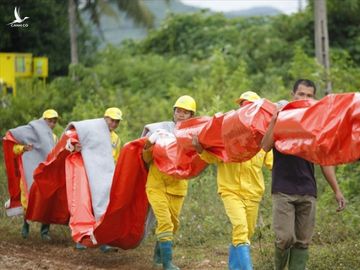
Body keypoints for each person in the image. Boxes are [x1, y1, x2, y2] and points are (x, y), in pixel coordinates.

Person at [261, 79, 346, 270]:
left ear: (314, 98)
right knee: (284, 238)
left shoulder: (316, 125)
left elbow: (325, 161)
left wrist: (337, 190)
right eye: (301, 94)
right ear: (293, 95)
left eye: (309, 95)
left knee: (303, 241)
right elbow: (265, 146)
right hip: (283, 189)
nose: (304, 98)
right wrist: (274, 121)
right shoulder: (282, 119)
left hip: (308, 190)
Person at [192, 91, 273, 270]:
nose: (245, 108)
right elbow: (212, 157)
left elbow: (273, 164)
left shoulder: (263, 141)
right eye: (243, 105)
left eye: (249, 106)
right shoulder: (226, 135)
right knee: (241, 229)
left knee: (246, 233)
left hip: (253, 194)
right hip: (230, 191)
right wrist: (200, 149)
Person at [142, 95, 196, 270]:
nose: (181, 114)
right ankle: (167, 263)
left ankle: (158, 257)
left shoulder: (192, 134)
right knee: (165, 222)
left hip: (178, 186)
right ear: (173, 112)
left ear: (191, 115)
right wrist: (150, 144)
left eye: (185, 112)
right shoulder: (160, 130)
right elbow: (146, 158)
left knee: (173, 224)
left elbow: (196, 160)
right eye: (178, 111)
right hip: (156, 184)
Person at [74, 107, 122, 252]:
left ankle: (103, 241)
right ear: (104, 119)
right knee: (86, 205)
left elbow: (116, 158)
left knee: (104, 207)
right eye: (111, 120)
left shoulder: (116, 139)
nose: (113, 124)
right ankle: (82, 239)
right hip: (89, 174)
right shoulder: (90, 132)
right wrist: (74, 147)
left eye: (117, 122)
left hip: (106, 176)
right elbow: (70, 144)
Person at [12, 109, 59, 240]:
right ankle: (25, 225)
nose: (52, 123)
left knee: (47, 200)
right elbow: (14, 148)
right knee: (27, 198)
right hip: (29, 172)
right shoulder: (29, 134)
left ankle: (45, 231)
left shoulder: (54, 138)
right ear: (43, 121)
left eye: (54, 121)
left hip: (46, 174)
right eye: (50, 121)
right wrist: (23, 148)